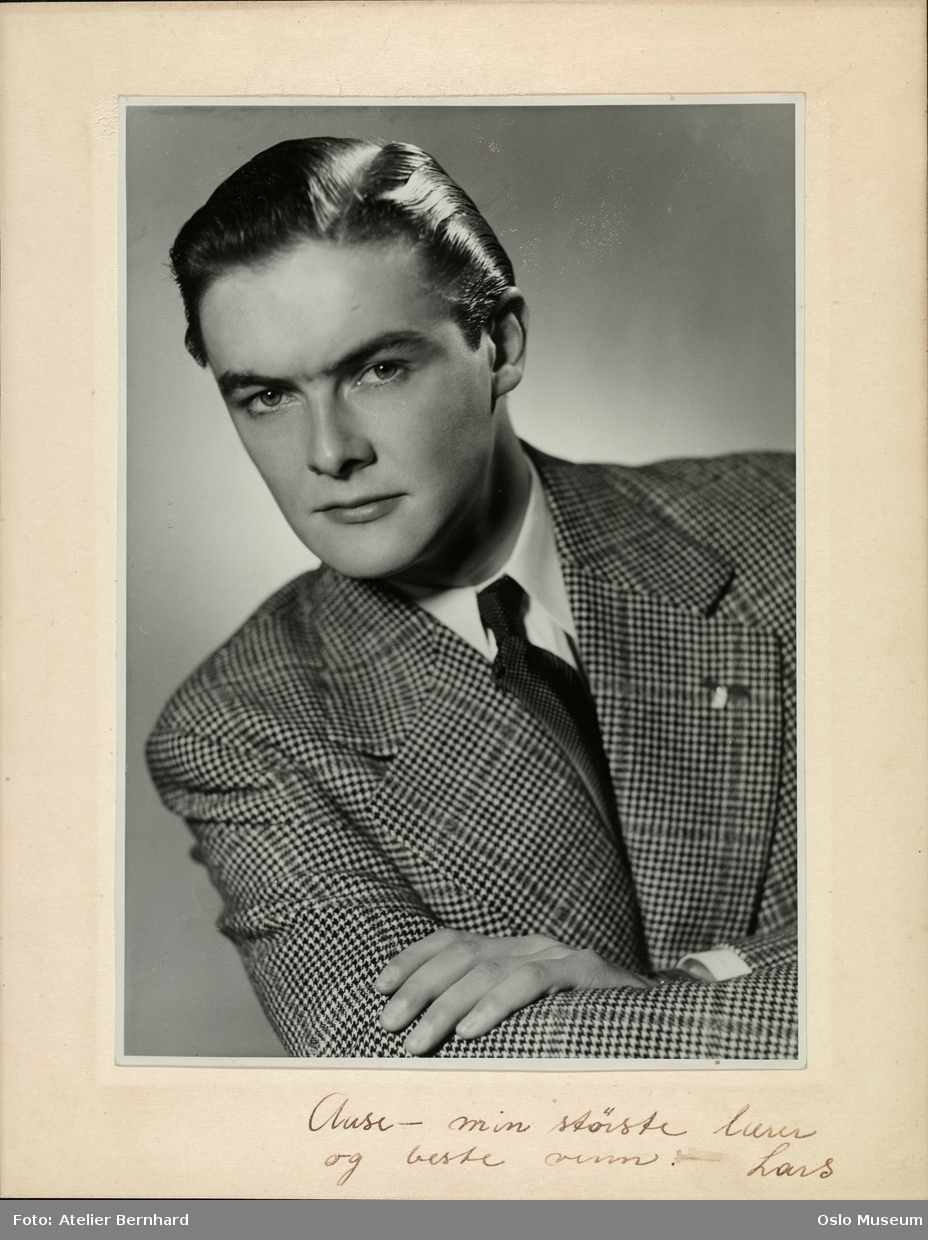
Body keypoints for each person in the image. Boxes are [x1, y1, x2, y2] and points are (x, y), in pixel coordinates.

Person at [146, 136, 797, 1059]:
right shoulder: (237, 727)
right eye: (267, 397)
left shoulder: (791, 523)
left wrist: (700, 982)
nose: (329, 453)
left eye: (378, 369)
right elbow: (412, 1074)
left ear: (501, 344)